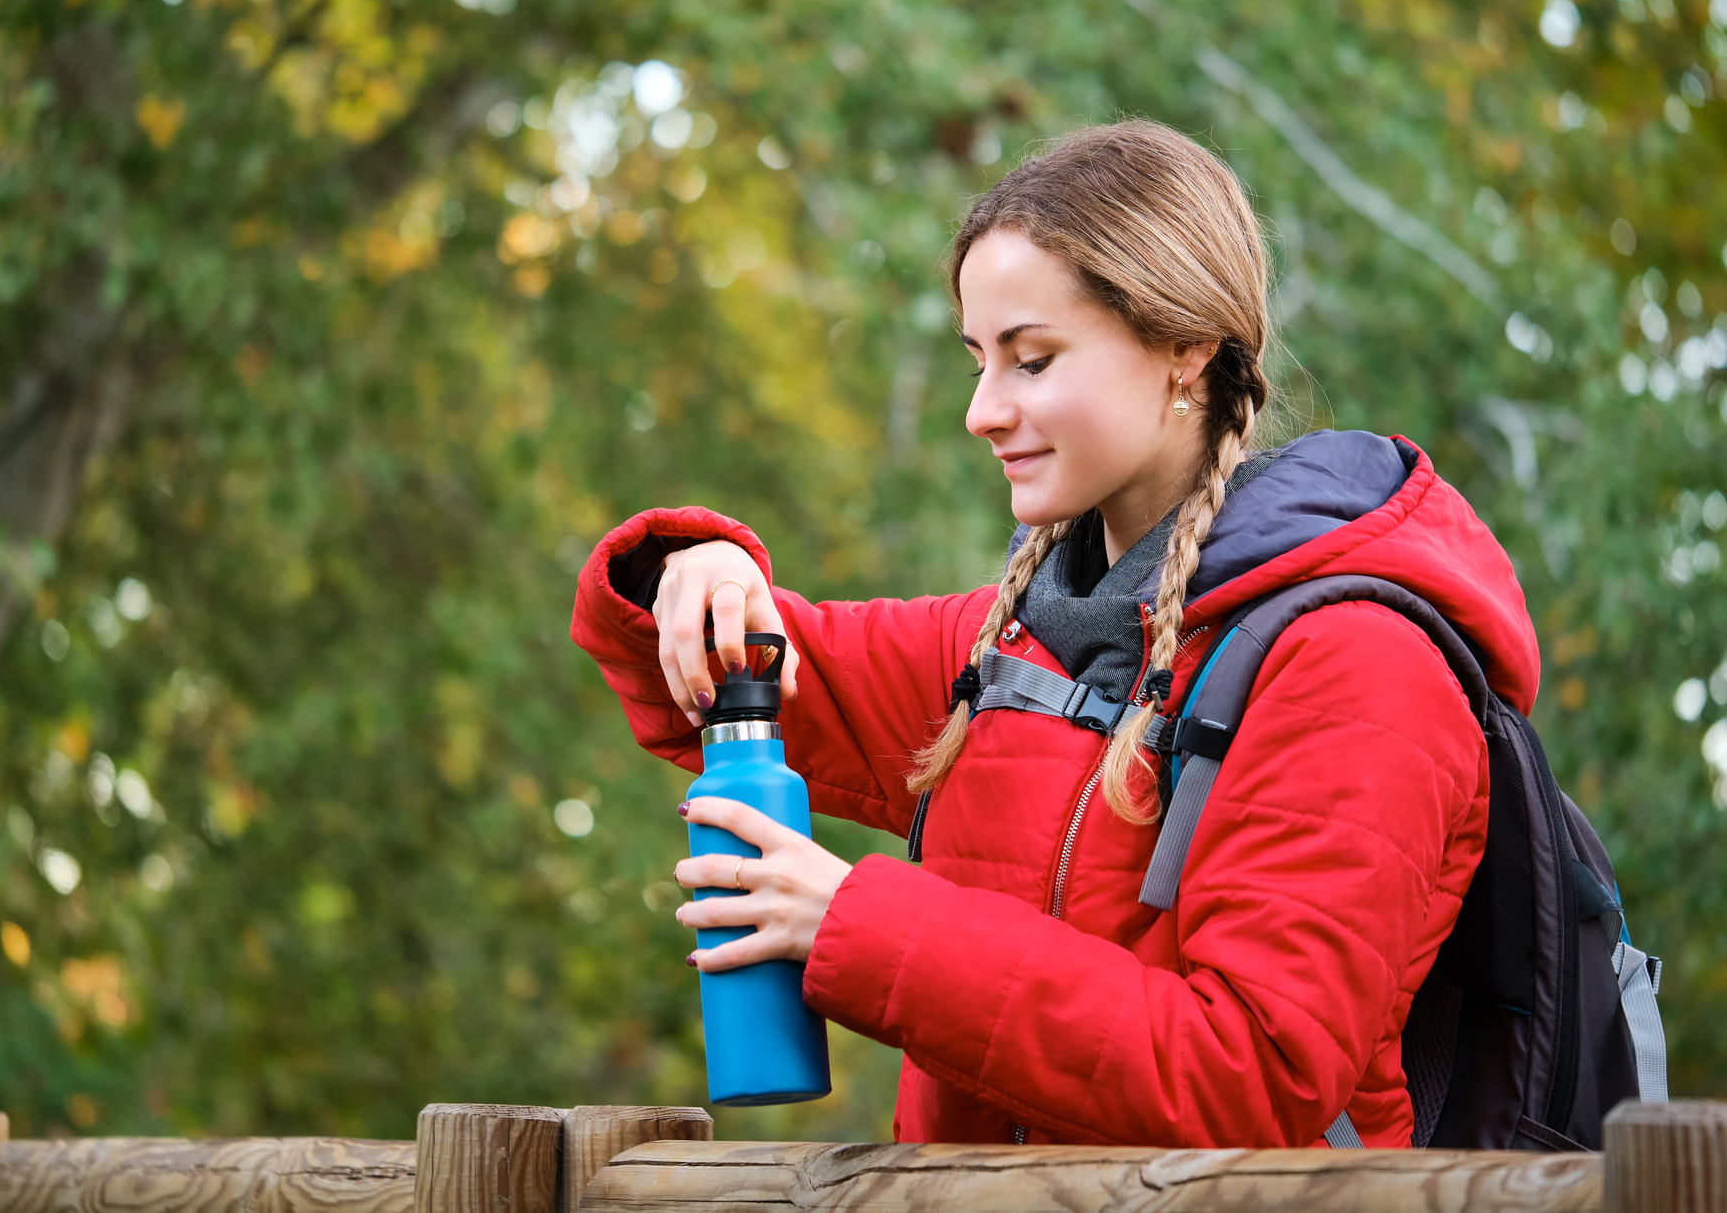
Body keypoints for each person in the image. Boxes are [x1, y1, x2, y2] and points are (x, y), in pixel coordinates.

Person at [569, 120, 1538, 1148]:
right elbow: (714, 674)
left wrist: (854, 923)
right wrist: (697, 570)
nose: (983, 411)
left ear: (1185, 350)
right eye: (977, 360)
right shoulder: (999, 654)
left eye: (1031, 360)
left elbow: (1251, 1075)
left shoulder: (1357, 661)